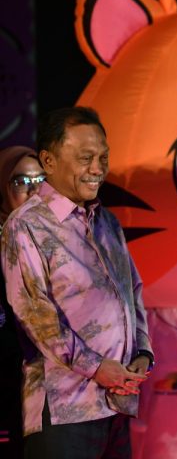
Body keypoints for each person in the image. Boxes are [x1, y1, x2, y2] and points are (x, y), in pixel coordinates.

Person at [1, 107, 154, 458]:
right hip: (64, 411)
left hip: (116, 405)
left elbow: (132, 293)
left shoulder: (107, 222)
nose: (98, 168)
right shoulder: (26, 225)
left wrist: (143, 353)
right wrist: (97, 368)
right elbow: (36, 317)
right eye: (86, 158)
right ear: (48, 161)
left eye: (103, 157)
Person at [0, 146, 45, 458]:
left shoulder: (60, 242)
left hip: (48, 387)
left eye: (40, 179)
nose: (33, 190)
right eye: (21, 181)